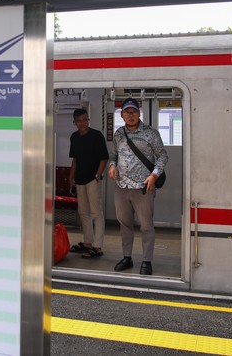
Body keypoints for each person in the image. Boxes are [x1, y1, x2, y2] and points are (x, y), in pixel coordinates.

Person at [107, 97, 168, 275]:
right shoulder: (119, 134)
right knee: (124, 224)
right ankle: (127, 257)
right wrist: (112, 166)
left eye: (133, 111)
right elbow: (113, 155)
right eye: (127, 112)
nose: (130, 115)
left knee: (146, 226)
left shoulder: (151, 133)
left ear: (139, 113)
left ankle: (147, 261)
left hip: (143, 187)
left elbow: (162, 156)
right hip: (121, 187)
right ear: (122, 115)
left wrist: (154, 175)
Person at [68, 108, 109, 259]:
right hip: (79, 179)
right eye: (79, 121)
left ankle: (97, 247)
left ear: (88, 120)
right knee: (83, 213)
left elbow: (104, 158)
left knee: (96, 213)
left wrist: (98, 175)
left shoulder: (96, 136)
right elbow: (75, 159)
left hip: (93, 179)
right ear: (74, 122)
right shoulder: (74, 137)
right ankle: (87, 243)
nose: (82, 123)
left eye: (85, 120)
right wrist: (71, 177)